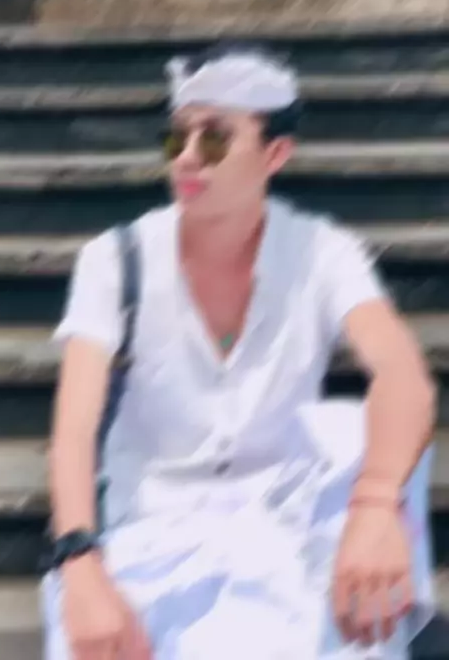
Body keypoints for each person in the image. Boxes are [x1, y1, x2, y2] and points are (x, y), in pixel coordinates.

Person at [42, 44, 436, 660]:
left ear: (275, 155)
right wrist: (79, 562)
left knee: (363, 438)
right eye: (178, 137)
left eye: (216, 138)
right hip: (146, 534)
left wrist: (376, 504)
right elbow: (73, 431)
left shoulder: (320, 252)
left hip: (283, 531)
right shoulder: (115, 260)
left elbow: (403, 375)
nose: (188, 157)